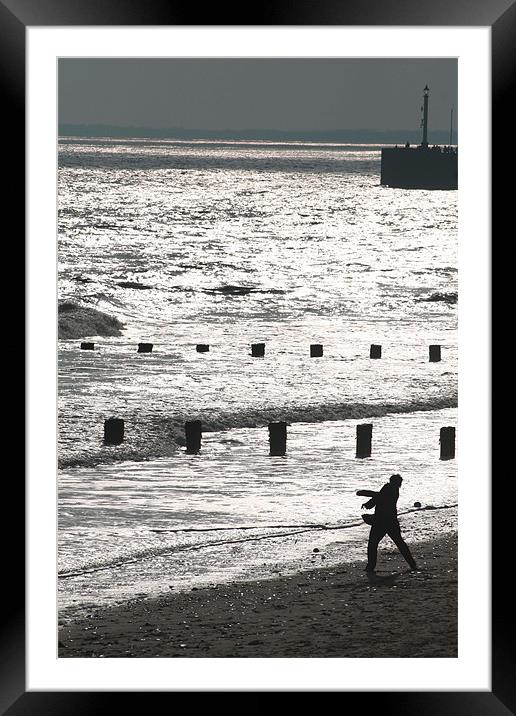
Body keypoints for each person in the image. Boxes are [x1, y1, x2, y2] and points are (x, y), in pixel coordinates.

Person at [356, 474, 418, 573]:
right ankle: (412, 564)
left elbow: (378, 496)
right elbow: (379, 496)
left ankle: (370, 567)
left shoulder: (388, 488)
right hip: (391, 521)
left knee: (372, 544)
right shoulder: (395, 490)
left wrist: (365, 497)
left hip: (381, 521)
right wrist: (368, 502)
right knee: (400, 543)